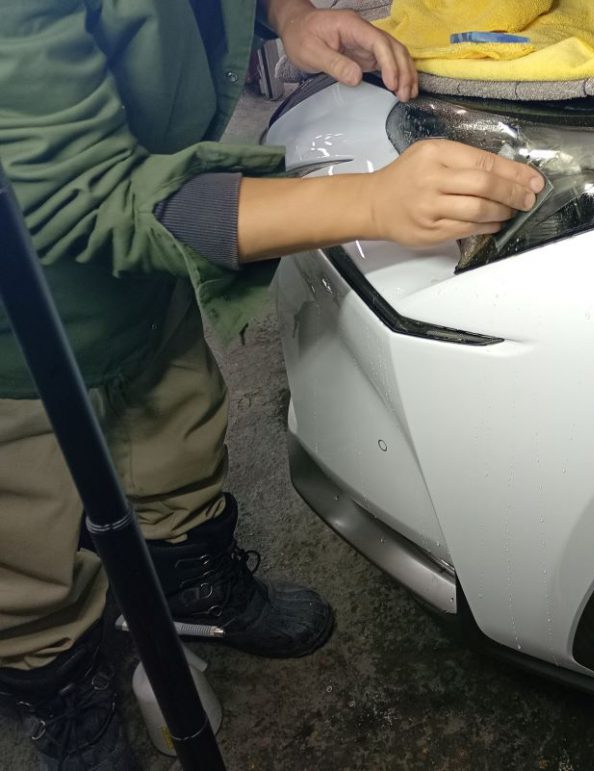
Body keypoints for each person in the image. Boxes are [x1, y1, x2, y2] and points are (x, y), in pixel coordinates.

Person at [0, 1, 544, 768]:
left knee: (176, 427)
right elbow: (74, 195)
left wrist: (287, 15)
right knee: (26, 529)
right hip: (18, 321)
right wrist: (367, 202)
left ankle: (191, 580)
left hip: (147, 262)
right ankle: (50, 669)